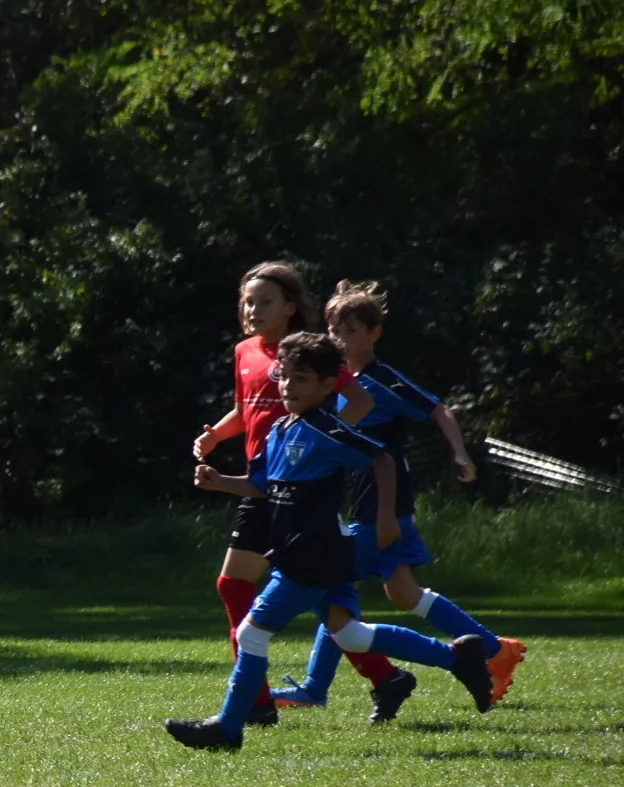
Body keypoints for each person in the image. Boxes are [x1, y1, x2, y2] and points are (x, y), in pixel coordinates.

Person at [168, 333, 496, 751]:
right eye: (285, 377)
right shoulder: (280, 430)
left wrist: (385, 517)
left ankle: (228, 730)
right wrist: (220, 482)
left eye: (301, 379)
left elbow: (381, 458)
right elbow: (261, 485)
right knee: (352, 636)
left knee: (251, 634)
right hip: (319, 552)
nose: (288, 386)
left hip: (312, 554)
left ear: (327, 386)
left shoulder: (326, 429)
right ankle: (457, 658)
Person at [273, 281, 525, 712]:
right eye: (334, 329)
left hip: (379, 500)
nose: (340, 338)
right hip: (368, 498)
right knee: (403, 592)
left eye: (351, 330)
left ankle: (316, 687)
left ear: (374, 333)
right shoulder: (334, 385)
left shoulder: (380, 381)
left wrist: (460, 452)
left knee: (335, 587)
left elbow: (437, 409)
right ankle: (492, 649)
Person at [190, 262, 405, 723]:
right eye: (247, 301)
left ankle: (256, 702)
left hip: (296, 490)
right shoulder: (245, 351)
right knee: (312, 597)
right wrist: (215, 438)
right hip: (262, 484)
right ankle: (386, 677)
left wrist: (319, 443)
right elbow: (244, 411)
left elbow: (360, 400)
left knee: (244, 586)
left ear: (290, 307)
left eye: (265, 301)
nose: (253, 309)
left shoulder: (306, 354)